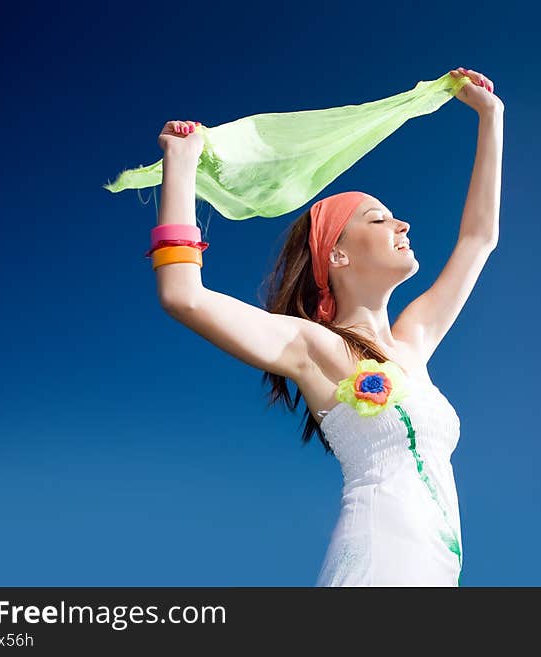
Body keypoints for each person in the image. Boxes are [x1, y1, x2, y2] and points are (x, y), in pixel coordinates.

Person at [153, 67, 504, 586]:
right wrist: (179, 169)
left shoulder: (414, 341)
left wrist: (491, 117)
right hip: (379, 564)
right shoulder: (314, 346)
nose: (401, 224)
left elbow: (478, 239)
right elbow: (183, 295)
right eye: (377, 218)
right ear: (336, 254)